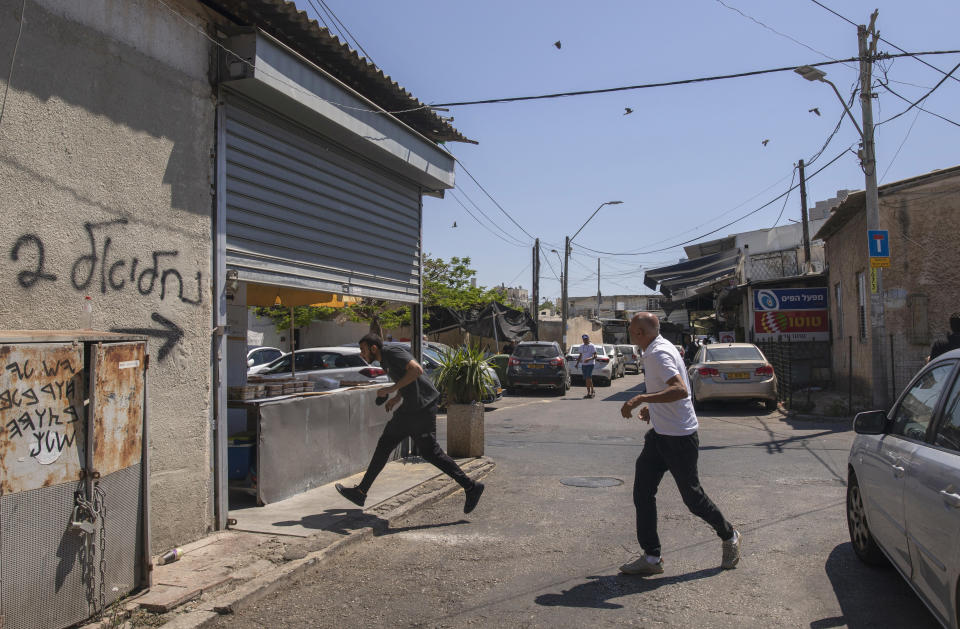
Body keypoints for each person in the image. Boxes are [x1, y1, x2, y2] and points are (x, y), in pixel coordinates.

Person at [618, 313, 740, 575]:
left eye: (631, 328)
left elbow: (680, 389)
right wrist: (653, 408)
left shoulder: (659, 354)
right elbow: (667, 389)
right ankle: (652, 558)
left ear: (639, 333)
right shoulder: (655, 349)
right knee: (643, 492)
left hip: (679, 438)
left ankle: (729, 536)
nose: (629, 332)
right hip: (661, 434)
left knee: (693, 498)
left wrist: (639, 398)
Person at [335, 334, 485, 514]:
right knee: (392, 446)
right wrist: (397, 397)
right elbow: (408, 380)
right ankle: (361, 491)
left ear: (374, 348)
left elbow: (416, 371)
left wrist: (390, 390)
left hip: (421, 407)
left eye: (363, 349)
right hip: (410, 408)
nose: (361, 354)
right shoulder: (384, 361)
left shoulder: (392, 352)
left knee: (429, 452)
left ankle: (471, 486)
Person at [575, 333, 598, 399]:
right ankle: (592, 391)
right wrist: (577, 364)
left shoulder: (592, 346)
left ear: (588, 338)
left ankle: (589, 393)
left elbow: (595, 356)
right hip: (584, 365)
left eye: (586, 339)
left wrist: (589, 359)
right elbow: (580, 355)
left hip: (590, 364)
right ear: (582, 339)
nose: (585, 340)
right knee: (587, 379)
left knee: (588, 377)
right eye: (584, 339)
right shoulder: (581, 346)